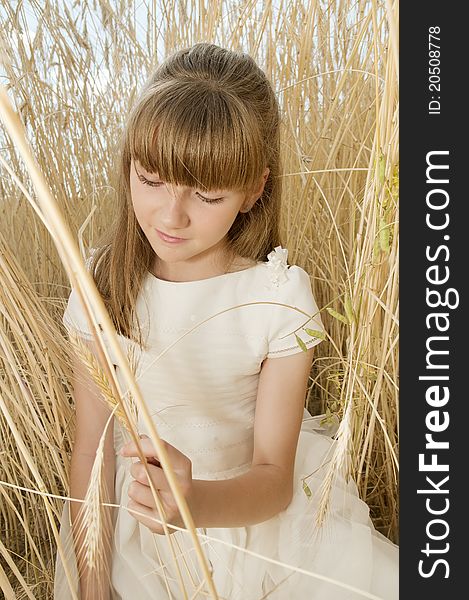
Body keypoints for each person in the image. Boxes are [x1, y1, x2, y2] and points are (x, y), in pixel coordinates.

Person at [54, 42, 398, 600]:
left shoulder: (278, 299)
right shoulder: (101, 282)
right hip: (137, 534)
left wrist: (197, 505)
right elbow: (90, 449)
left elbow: (273, 478)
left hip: (250, 523)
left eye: (207, 193)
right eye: (151, 178)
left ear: (253, 190)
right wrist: (93, 581)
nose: (171, 215)